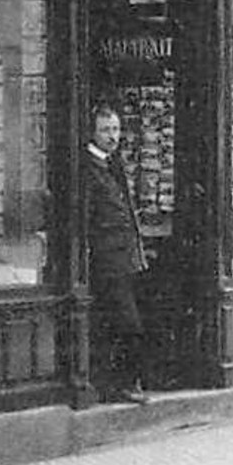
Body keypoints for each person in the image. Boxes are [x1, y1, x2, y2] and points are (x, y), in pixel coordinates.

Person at [84, 104, 152, 404]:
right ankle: (118, 384)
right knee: (126, 324)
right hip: (106, 262)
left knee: (122, 323)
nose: (113, 136)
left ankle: (120, 384)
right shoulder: (88, 168)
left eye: (115, 129)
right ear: (92, 132)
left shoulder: (112, 164)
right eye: (105, 130)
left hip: (124, 260)